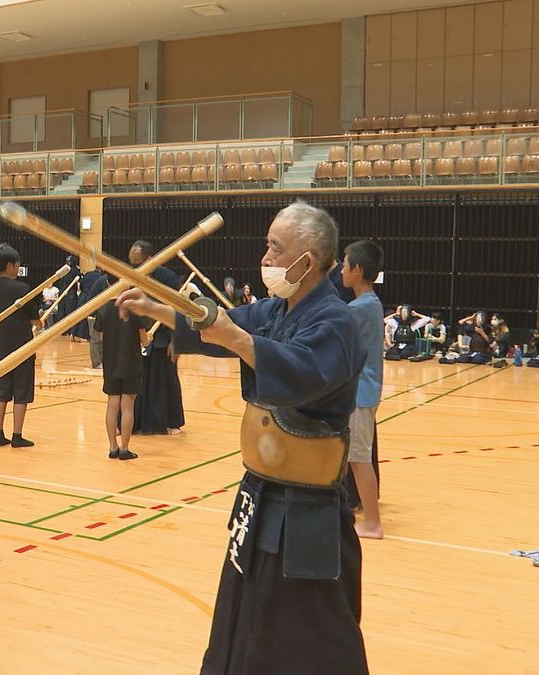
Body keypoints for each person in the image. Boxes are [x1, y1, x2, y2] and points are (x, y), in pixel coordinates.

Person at [116, 199, 368, 674]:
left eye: (275, 248)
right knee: (244, 612)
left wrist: (233, 336)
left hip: (306, 509)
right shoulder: (278, 309)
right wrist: (156, 308)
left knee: (307, 629)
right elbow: (215, 327)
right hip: (262, 495)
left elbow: (300, 372)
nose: (266, 258)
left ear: (306, 261)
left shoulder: (335, 321)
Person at [342, 240, 385, 539]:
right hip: (357, 392)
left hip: (361, 394)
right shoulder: (369, 304)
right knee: (348, 458)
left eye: (344, 265)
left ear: (357, 270)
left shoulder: (360, 308)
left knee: (359, 459)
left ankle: (373, 523)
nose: (341, 271)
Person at [0, 244, 41, 448]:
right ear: (9, 265)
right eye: (17, 265)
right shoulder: (22, 289)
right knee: (21, 391)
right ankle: (17, 435)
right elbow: (35, 320)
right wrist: (40, 322)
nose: (18, 269)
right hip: (22, 347)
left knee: (1, 391)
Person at [129, 240, 185, 435]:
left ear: (150, 259)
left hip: (163, 335)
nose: (134, 267)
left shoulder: (166, 277)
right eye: (132, 263)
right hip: (136, 334)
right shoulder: (130, 277)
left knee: (165, 378)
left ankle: (171, 422)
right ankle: (133, 423)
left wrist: (177, 341)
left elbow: (178, 310)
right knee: (136, 381)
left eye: (138, 263)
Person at [95, 280, 149, 460]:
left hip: (111, 363)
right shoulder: (134, 308)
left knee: (112, 405)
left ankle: (112, 447)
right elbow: (144, 340)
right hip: (131, 363)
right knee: (128, 407)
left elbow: (102, 337)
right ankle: (125, 448)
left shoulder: (103, 308)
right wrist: (148, 339)